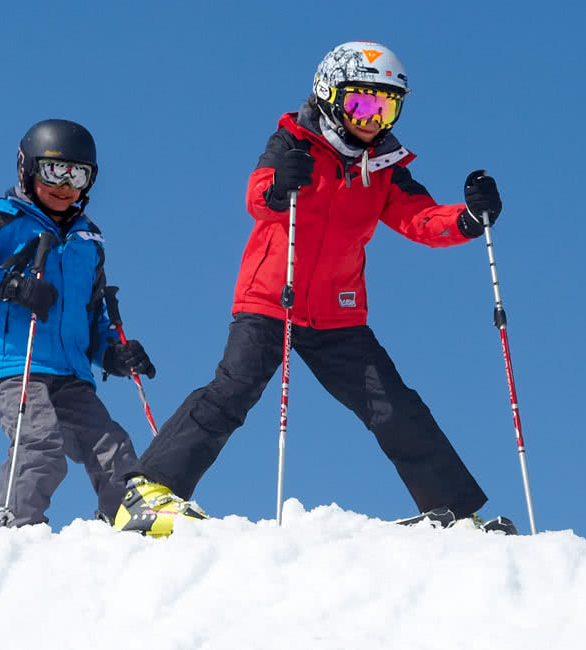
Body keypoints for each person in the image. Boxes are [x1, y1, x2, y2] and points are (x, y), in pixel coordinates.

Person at [113, 41, 507, 537]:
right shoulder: (294, 141)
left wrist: (468, 219)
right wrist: (281, 186)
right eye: (361, 103)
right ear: (330, 95)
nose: (372, 118)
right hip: (272, 298)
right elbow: (259, 194)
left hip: (337, 314)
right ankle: (148, 491)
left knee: (394, 403)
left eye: (386, 106)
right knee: (232, 390)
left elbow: (421, 218)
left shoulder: (386, 167)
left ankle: (452, 512)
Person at [0, 119, 153, 527]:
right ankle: (15, 525)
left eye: (78, 175)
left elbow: (94, 313)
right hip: (16, 362)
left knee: (111, 442)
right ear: (28, 169)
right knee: (40, 442)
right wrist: (9, 284)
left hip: (70, 370)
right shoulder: (1, 220)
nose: (66, 185)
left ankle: (129, 521)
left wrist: (113, 353)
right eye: (55, 171)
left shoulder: (89, 241)